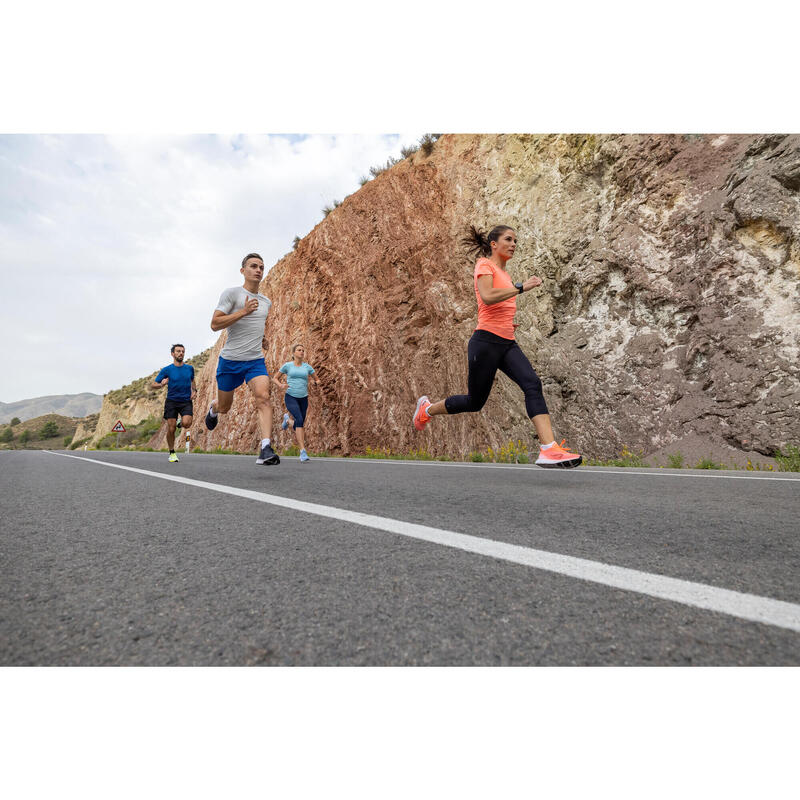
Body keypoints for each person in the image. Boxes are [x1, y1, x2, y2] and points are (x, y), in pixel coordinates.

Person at [413, 225, 582, 468]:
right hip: (485, 342)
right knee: (474, 402)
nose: (513, 244)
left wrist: (508, 321)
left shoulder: (505, 274)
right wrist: (522, 287)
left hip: (506, 342)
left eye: (515, 241)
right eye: (508, 239)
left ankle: (549, 449)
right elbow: (487, 297)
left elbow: (497, 305)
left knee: (532, 384)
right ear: (494, 244)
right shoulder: (485, 265)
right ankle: (427, 410)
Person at [204, 253, 279, 466]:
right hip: (230, 361)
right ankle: (213, 408)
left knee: (263, 396)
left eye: (261, 267)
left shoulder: (266, 302)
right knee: (225, 407)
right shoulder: (232, 294)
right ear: (243, 270)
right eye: (253, 266)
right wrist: (243, 312)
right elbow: (215, 324)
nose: (258, 270)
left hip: (254, 360)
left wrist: (262, 338)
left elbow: (256, 326)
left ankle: (265, 448)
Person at [273, 344, 321, 463]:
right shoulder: (287, 366)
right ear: (294, 353)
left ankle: (288, 420)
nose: (302, 352)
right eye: (299, 350)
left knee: (299, 424)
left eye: (303, 350)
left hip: (303, 398)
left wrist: (316, 383)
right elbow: (275, 378)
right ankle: (302, 451)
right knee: (299, 419)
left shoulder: (308, 367)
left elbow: (317, 379)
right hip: (290, 396)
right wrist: (281, 385)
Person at [151, 344, 196, 462]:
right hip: (171, 401)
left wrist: (194, 390)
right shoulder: (167, 370)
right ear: (172, 354)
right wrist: (162, 384)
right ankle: (172, 453)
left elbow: (192, 380)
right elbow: (153, 384)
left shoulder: (190, 368)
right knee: (171, 428)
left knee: (187, 423)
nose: (181, 353)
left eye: (182, 351)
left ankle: (180, 423)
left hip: (186, 401)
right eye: (178, 351)